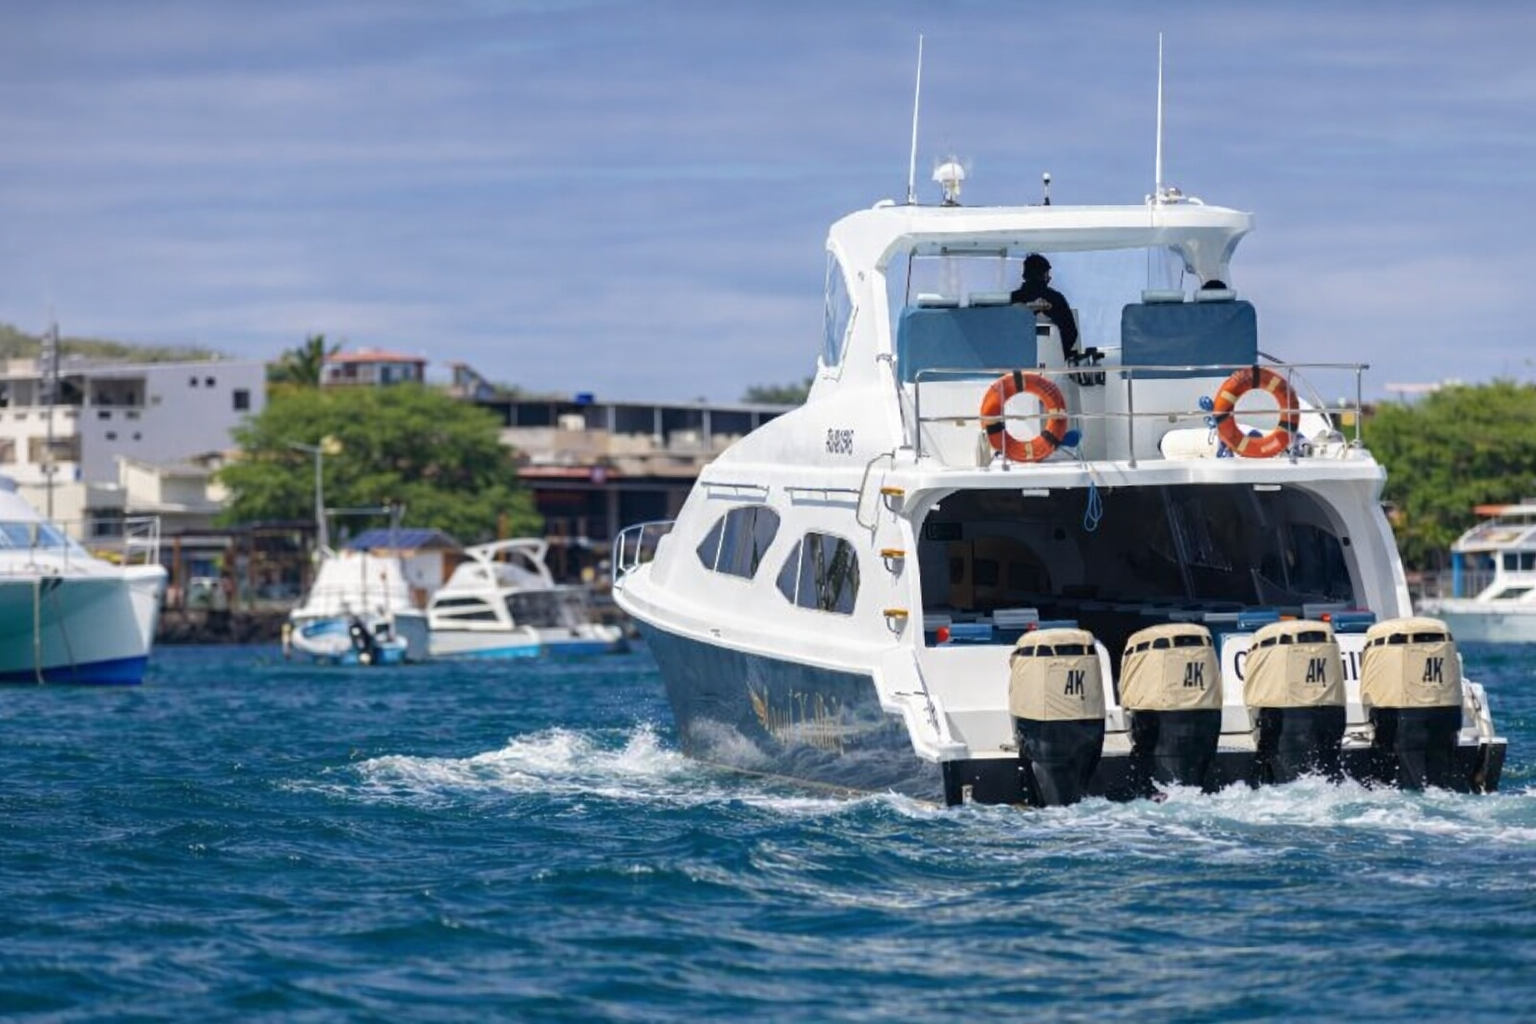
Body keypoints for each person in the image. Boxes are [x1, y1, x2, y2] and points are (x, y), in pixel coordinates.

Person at [1010, 253, 1079, 357]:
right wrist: (1058, 356)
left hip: (1017, 361)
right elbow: (1071, 333)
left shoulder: (1013, 298)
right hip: (1054, 362)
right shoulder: (1057, 298)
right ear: (1044, 274)